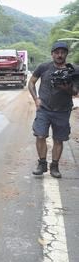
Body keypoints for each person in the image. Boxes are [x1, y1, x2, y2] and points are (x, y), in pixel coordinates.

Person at [28, 41, 77, 178]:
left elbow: (75, 92)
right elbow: (31, 82)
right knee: (40, 135)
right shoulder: (43, 67)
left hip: (62, 110)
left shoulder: (74, 70)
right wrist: (36, 99)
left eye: (62, 52)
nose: (59, 55)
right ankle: (42, 163)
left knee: (58, 139)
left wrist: (67, 88)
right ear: (52, 54)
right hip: (44, 109)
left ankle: (54, 166)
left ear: (66, 54)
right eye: (57, 52)